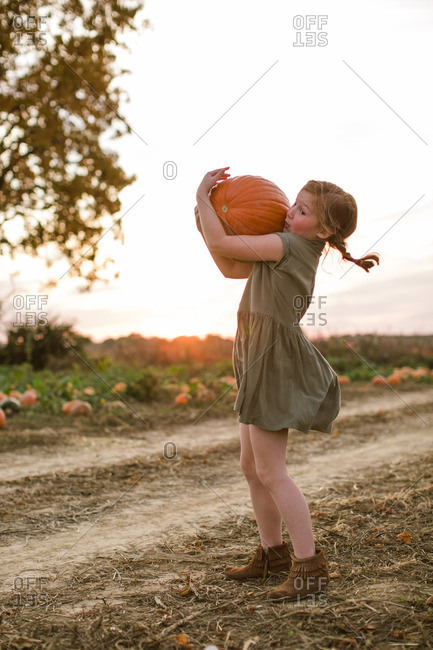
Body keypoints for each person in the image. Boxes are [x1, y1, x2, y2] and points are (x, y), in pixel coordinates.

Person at [195, 167, 379, 602]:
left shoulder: (291, 245)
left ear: (326, 228)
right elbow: (227, 265)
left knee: (272, 472)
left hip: (272, 362)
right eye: (293, 204)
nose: (288, 212)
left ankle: (310, 566)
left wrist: (203, 196)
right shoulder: (289, 245)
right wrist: (204, 217)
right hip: (257, 355)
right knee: (251, 465)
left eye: (300, 210)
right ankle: (272, 553)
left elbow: (223, 243)